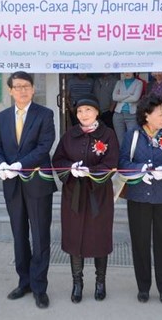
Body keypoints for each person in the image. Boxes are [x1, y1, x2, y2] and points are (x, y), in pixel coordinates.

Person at [0, 71, 57, 309]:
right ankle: (24, 281)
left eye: (26, 86)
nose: (22, 90)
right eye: (17, 86)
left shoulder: (45, 114)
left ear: (32, 88)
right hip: (12, 184)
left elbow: (44, 146)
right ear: (10, 90)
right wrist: (2, 165)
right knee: (19, 235)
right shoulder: (2, 117)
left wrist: (20, 164)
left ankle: (39, 286)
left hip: (37, 183)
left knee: (40, 236)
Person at [51, 96, 119, 303]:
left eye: (88, 110)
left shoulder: (107, 135)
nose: (84, 115)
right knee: (74, 237)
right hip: (74, 194)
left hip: (99, 195)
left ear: (97, 112)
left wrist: (91, 172)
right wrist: (70, 169)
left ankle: (100, 282)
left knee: (99, 236)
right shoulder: (70, 134)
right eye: (80, 111)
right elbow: (58, 159)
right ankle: (77, 283)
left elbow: (112, 162)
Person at [118, 95, 162, 305]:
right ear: (146, 115)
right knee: (140, 243)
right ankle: (143, 287)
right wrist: (140, 169)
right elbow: (122, 164)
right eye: (159, 114)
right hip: (138, 196)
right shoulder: (133, 135)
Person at [112, 72, 143, 145]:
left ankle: (132, 156)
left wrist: (120, 97)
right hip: (118, 114)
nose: (127, 73)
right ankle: (123, 156)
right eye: (125, 71)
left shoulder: (138, 83)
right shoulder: (119, 82)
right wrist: (129, 95)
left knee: (132, 140)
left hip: (132, 115)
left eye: (129, 71)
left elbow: (135, 98)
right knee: (120, 140)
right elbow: (114, 97)